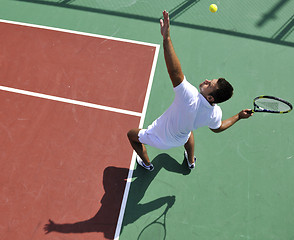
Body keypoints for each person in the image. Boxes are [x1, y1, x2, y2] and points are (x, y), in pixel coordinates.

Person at [127, 10, 253, 171]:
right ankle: (191, 160)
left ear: (211, 98)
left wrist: (166, 38)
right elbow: (218, 128)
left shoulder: (189, 97)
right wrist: (239, 116)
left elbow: (174, 72)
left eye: (210, 85)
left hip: (158, 138)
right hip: (180, 138)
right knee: (189, 132)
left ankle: (146, 163)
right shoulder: (215, 113)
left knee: (131, 135)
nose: (207, 81)